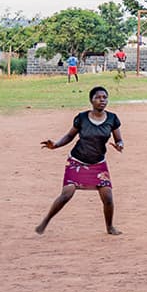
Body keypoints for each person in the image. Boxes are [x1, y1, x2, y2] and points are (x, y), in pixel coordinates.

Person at [36, 87, 124, 235]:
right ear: (91, 100)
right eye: (98, 97)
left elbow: (119, 139)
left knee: (108, 198)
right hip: (77, 161)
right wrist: (56, 145)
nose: (102, 100)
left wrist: (120, 145)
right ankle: (45, 221)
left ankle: (110, 227)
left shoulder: (112, 119)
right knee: (66, 195)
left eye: (105, 97)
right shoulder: (82, 118)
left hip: (98, 163)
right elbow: (70, 136)